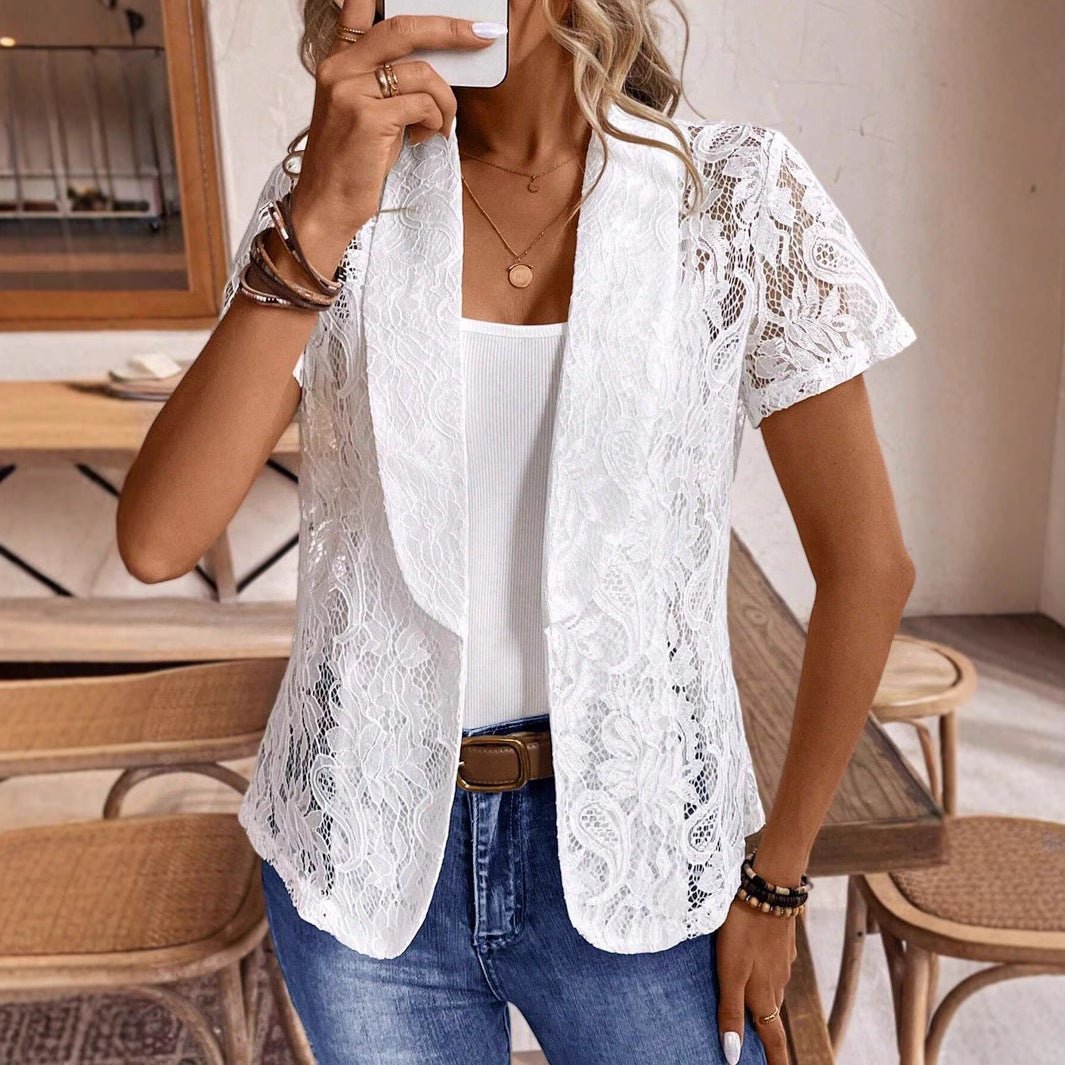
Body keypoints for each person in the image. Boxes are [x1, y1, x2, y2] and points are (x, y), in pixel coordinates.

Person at [116, 1, 918, 1062]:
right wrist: (322, 215)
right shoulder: (330, 192)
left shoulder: (730, 194)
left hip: (639, 853)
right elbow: (158, 540)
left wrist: (776, 877)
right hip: (363, 847)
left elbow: (867, 565)